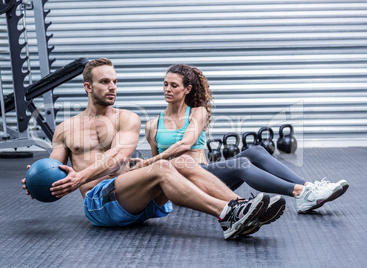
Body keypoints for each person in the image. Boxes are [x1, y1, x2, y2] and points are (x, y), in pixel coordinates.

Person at [21, 58, 277, 240]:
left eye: (115, 81)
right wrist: (40, 182)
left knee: (180, 163)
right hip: (99, 203)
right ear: (88, 87)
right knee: (164, 165)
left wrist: (79, 176)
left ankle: (242, 208)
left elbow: (118, 155)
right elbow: (56, 168)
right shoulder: (66, 128)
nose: (112, 87)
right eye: (104, 82)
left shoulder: (127, 118)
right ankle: (227, 214)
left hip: (136, 197)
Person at [132, 63, 349, 234]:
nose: (167, 89)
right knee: (242, 163)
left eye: (174, 85)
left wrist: (149, 162)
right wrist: (150, 166)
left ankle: (309, 188)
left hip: (207, 176)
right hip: (183, 182)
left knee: (254, 151)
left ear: (187, 89)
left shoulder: (197, 112)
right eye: (165, 84)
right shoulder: (153, 125)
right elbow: (158, 170)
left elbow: (186, 144)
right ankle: (301, 193)